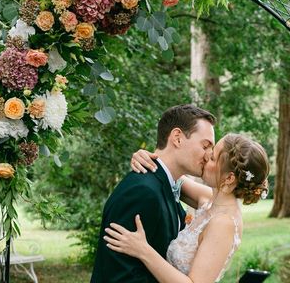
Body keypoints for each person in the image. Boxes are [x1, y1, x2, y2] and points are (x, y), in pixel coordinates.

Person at [104, 133, 269, 283]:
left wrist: (143, 250)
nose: (206, 156)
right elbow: (168, 171)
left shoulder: (224, 224)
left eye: (212, 158)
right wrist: (145, 157)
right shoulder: (209, 199)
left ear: (229, 178)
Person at [91, 104, 216, 283]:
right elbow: (119, 275)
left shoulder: (166, 185)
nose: (209, 155)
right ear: (178, 138)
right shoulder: (142, 190)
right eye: (205, 146)